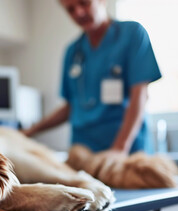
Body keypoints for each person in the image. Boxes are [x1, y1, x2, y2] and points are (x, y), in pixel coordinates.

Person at [21, 0, 161, 154]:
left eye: (84, 3)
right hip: (83, 151)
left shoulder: (133, 34)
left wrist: (119, 149)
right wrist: (29, 132)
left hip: (127, 151)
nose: (78, 13)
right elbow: (70, 108)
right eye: (70, 10)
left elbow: (139, 97)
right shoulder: (73, 52)